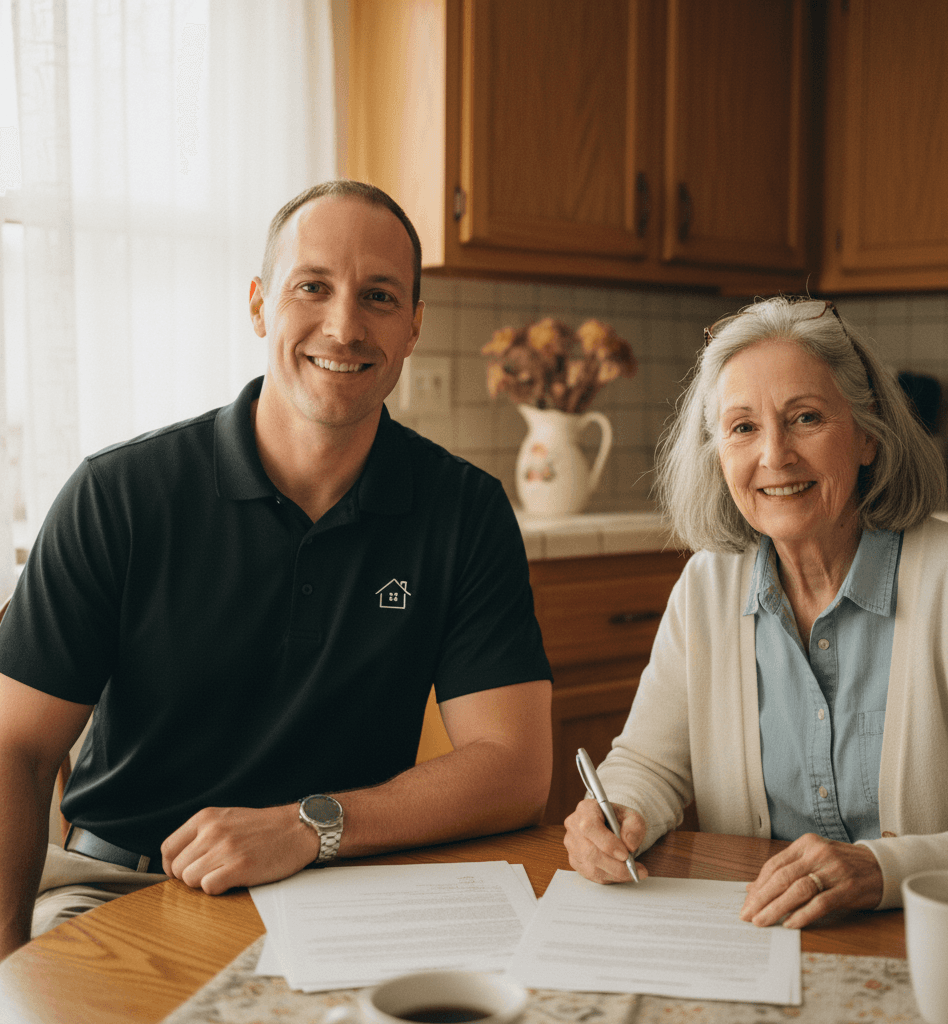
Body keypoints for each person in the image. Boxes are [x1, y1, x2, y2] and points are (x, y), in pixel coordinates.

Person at [0, 180, 553, 962]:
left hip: (349, 887)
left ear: (414, 327)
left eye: (380, 296)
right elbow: (12, 746)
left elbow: (516, 771)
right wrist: (5, 968)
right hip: (122, 887)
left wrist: (307, 826)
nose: (345, 325)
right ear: (260, 305)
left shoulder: (465, 511)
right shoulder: (118, 494)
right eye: (313, 287)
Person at [564, 295, 948, 929]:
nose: (774, 455)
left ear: (868, 436)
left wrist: (881, 869)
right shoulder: (706, 586)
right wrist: (616, 812)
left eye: (806, 418)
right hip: (760, 937)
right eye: (743, 427)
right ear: (718, 453)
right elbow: (650, 765)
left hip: (933, 944)